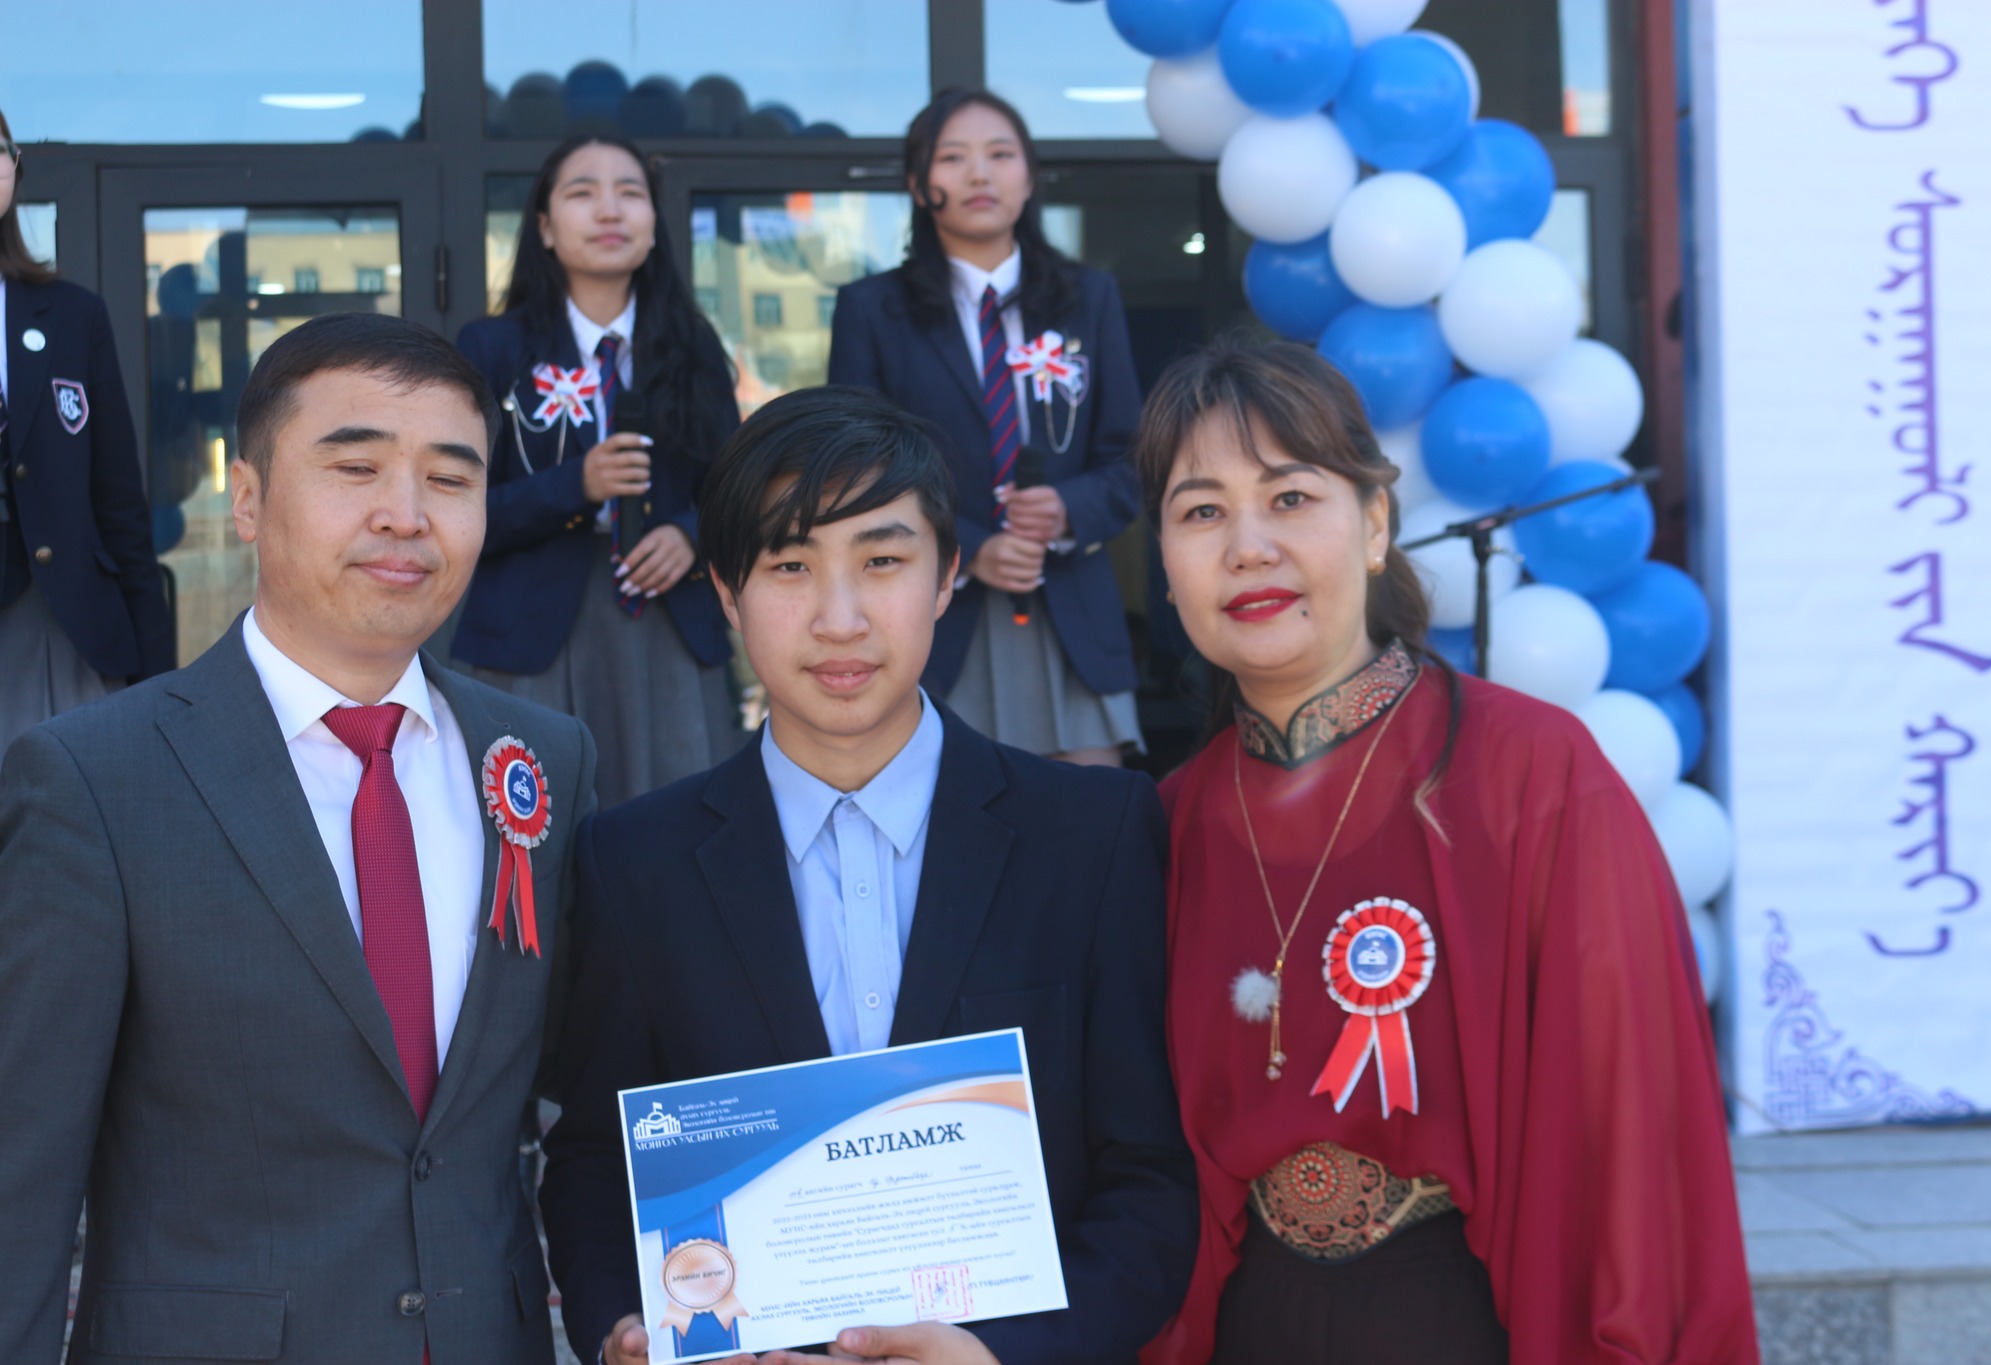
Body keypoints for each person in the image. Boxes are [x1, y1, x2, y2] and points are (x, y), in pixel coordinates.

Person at [1129, 338, 1759, 1364]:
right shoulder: (1165, 826)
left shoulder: (1531, 774)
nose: (1247, 546)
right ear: (1163, 563)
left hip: (1468, 1321)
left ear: (1375, 523)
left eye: (1290, 499)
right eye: (1201, 512)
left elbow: (1635, 1135)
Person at [540, 386, 1196, 1365]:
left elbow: (1148, 1174)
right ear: (726, 593)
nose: (838, 619)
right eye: (789, 566)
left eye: (881, 561)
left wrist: (1002, 1359)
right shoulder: (634, 863)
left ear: (946, 578)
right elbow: (596, 1159)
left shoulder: (1091, 836)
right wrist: (622, 1330)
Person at [0, 313, 599, 1364]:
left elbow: (590, 1094)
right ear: (246, 497)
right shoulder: (93, 779)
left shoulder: (544, 759)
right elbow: (21, 1172)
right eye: (355, 468)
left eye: (450, 479)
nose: (406, 515)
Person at [829, 89, 1144, 766]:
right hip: (940, 613)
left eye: (1001, 155)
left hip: (1070, 607)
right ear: (920, 185)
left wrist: (1066, 509)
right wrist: (969, 549)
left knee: (1091, 810)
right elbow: (856, 472)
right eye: (953, 158)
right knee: (957, 807)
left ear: (1028, 178)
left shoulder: (1090, 297)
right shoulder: (872, 310)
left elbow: (1133, 458)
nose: (980, 173)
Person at [456, 131, 742, 807]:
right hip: (536, 626)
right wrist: (574, 485)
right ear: (546, 228)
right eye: (583, 193)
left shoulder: (692, 346)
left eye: (630, 193)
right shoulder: (493, 347)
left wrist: (691, 535)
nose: (610, 210)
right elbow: (457, 506)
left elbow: (739, 487)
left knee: (678, 820)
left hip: (668, 616)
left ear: (653, 225)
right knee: (539, 827)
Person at [0, 107, 174, 752]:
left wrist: (160, 676)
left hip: (60, 635)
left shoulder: (72, 315)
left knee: (70, 807)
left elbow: (117, 500)